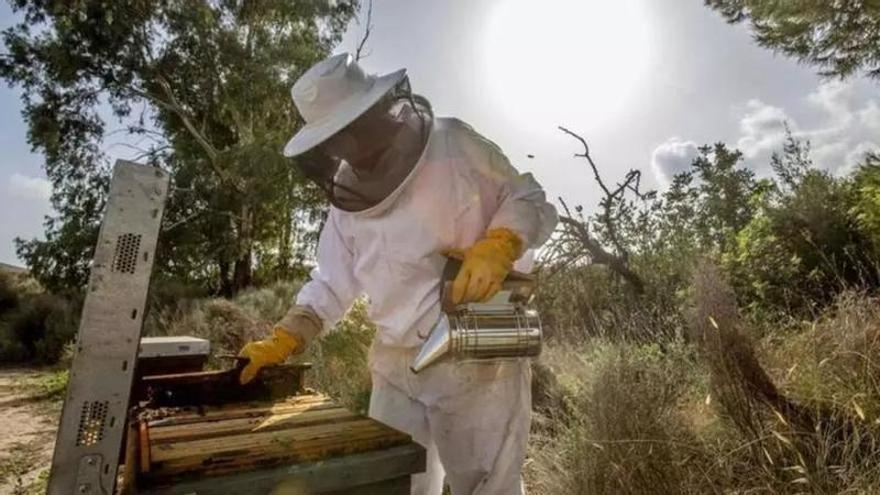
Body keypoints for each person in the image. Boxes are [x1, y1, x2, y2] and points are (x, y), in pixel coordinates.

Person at [239, 53, 557, 495]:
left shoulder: (454, 142)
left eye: (348, 130)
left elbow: (526, 195)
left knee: (488, 486)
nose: (343, 148)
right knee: (393, 482)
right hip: (394, 361)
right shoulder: (345, 202)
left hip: (475, 348)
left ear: (376, 109)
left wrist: (500, 243)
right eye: (332, 140)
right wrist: (288, 334)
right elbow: (331, 280)